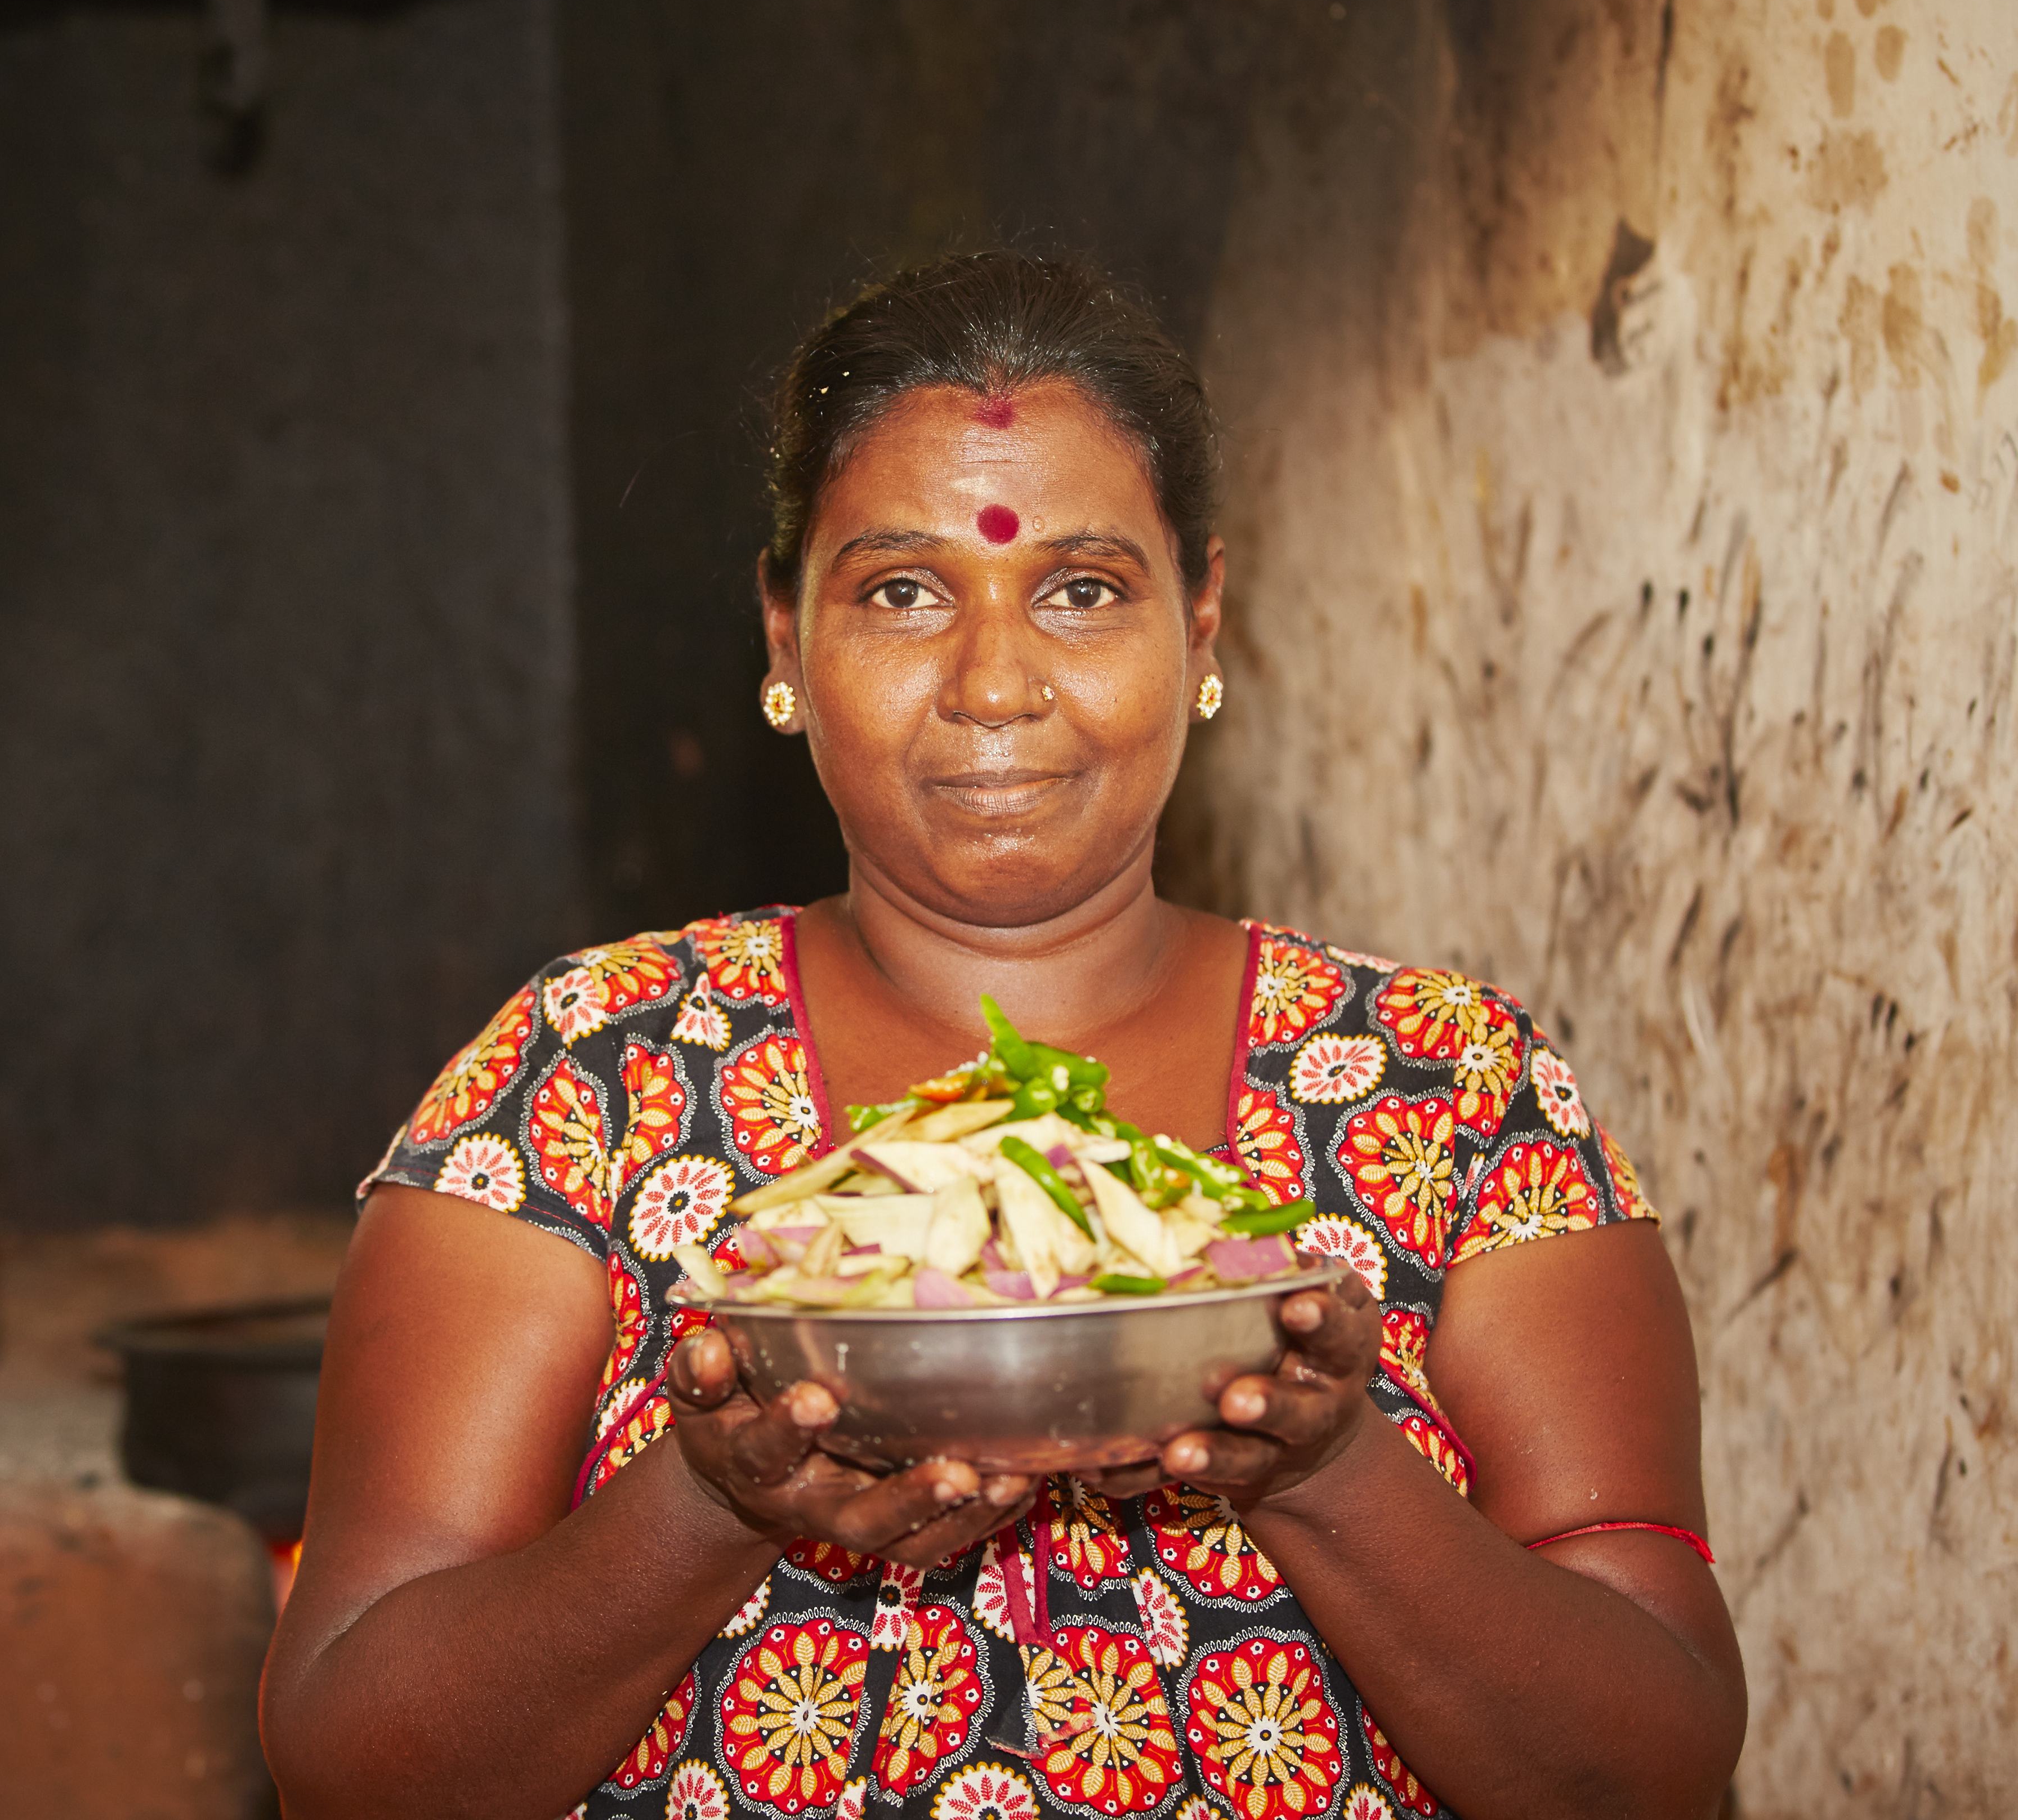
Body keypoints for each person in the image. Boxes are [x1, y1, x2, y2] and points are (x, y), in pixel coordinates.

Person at [259, 251, 1746, 1820]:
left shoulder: (1446, 1087)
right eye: (901, 592)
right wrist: (706, 1506)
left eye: (1081, 591)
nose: (991, 686)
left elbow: (1649, 1766)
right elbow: (351, 1761)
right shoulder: (594, 1076)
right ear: (782, 639)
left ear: (1203, 618)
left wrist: (1325, 1470)